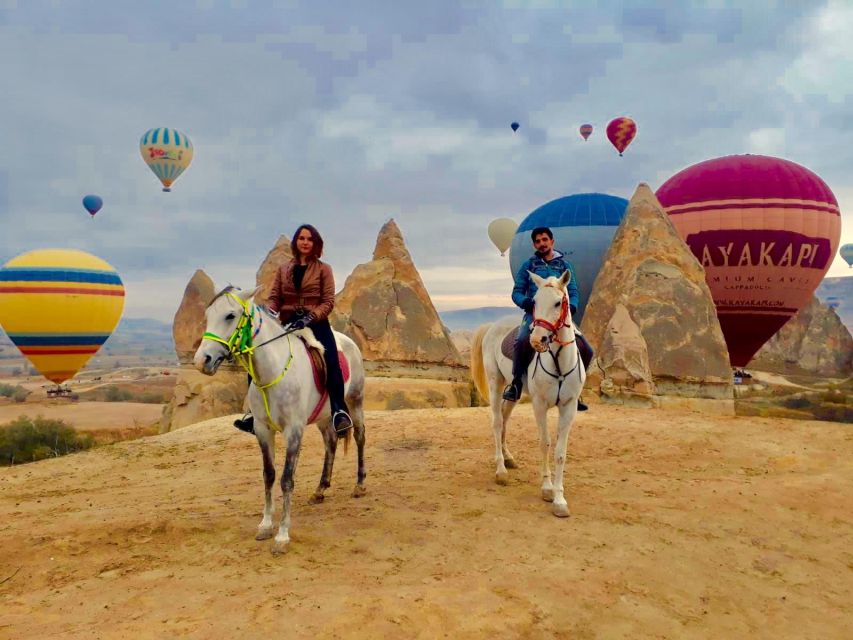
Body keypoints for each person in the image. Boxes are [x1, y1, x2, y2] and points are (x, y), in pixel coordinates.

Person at [233, 224, 354, 436]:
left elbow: (328, 301)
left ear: (315, 243)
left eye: (309, 239)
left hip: (316, 323)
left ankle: (338, 410)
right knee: (256, 358)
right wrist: (270, 311)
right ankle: (254, 415)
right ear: (296, 242)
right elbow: (275, 297)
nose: (305, 242)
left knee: (331, 359)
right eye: (301, 238)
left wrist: (310, 316)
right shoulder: (284, 270)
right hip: (288, 324)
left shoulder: (324, 269)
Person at [502, 226, 593, 410]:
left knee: (586, 348)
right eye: (537, 241)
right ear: (534, 244)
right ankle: (516, 384)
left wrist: (573, 306)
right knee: (521, 341)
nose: (541, 244)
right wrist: (525, 302)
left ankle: (576, 390)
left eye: (544, 240)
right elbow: (517, 292)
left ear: (552, 241)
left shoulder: (564, 266)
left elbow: (573, 290)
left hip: (559, 314)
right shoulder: (529, 265)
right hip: (535, 315)